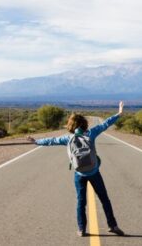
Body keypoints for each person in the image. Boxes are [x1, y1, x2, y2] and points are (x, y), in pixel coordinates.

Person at [27, 101, 125, 237]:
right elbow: (105, 124)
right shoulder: (90, 134)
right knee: (104, 199)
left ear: (71, 125)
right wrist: (119, 113)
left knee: (81, 202)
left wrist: (35, 141)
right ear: (84, 124)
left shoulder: (68, 138)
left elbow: (51, 140)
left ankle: (81, 229)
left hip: (79, 173)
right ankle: (112, 225)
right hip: (94, 172)